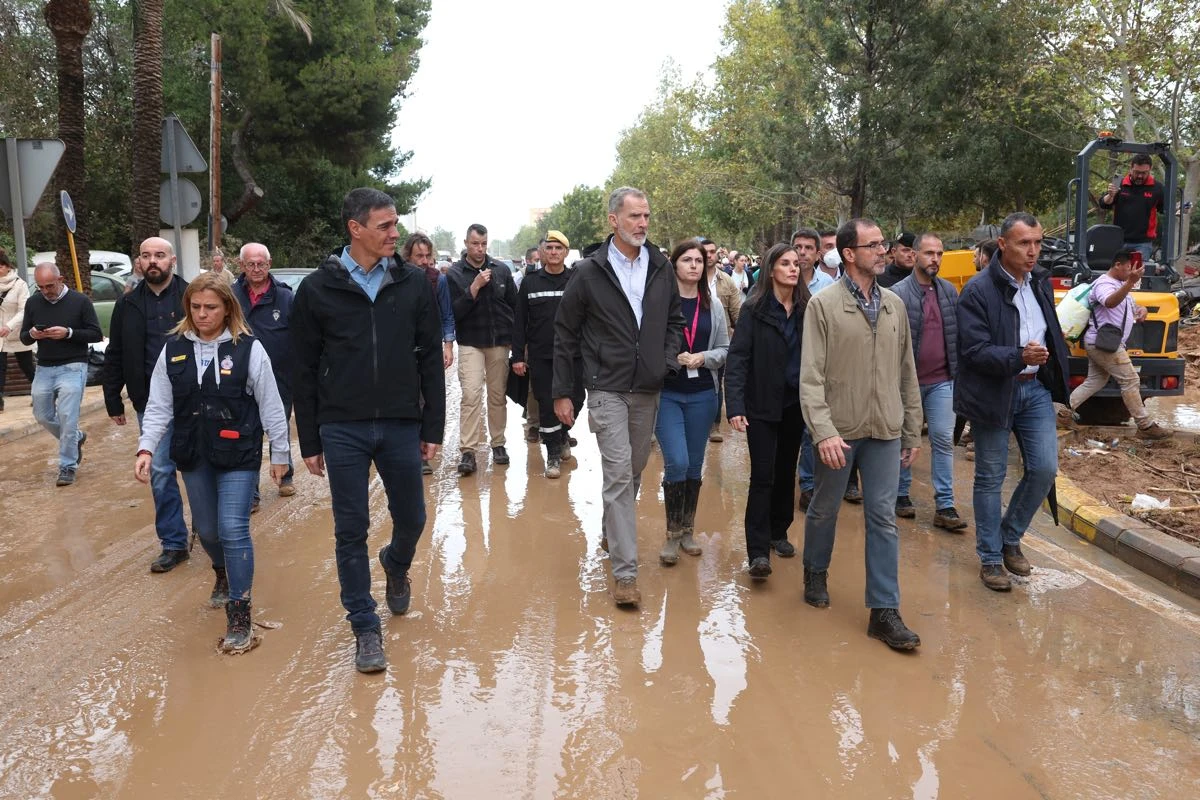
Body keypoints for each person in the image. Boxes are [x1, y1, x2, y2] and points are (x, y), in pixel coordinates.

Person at [292, 187, 445, 673]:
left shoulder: (413, 283)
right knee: (350, 528)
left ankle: (396, 563)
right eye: (385, 225)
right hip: (342, 426)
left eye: (396, 223)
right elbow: (303, 368)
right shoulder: (317, 289)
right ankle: (364, 625)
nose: (395, 233)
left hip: (401, 422)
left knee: (413, 518)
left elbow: (430, 360)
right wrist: (310, 438)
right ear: (355, 229)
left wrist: (433, 426)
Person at [135, 272, 290, 653]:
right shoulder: (173, 350)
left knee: (232, 528)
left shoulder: (249, 349)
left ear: (227, 309)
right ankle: (221, 571)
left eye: (211, 307)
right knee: (206, 530)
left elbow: (271, 404)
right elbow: (158, 406)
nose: (202, 314)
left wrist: (280, 454)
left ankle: (240, 612)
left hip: (238, 452)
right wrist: (146, 448)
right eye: (196, 307)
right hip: (194, 452)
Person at [553, 186, 684, 607]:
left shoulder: (660, 266)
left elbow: (675, 321)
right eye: (634, 216)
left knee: (635, 468)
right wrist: (563, 391)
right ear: (614, 220)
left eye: (646, 216)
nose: (642, 224)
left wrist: (665, 361)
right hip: (606, 387)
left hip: (647, 386)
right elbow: (565, 332)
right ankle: (625, 574)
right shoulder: (589, 272)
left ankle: (613, 529)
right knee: (618, 474)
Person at [800, 218, 923, 651]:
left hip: (885, 429)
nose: (883, 251)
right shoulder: (823, 306)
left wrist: (911, 430)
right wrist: (823, 432)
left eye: (883, 244)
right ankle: (815, 571)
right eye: (873, 245)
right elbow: (811, 378)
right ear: (849, 254)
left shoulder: (894, 305)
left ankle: (884, 611)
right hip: (840, 431)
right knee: (825, 507)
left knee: (883, 517)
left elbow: (907, 372)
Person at [956, 212, 1069, 592]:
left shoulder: (1040, 282)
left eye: (1037, 242)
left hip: (1034, 389)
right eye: (1024, 243)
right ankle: (990, 558)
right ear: (1003, 245)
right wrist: (1019, 356)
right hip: (993, 391)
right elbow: (973, 351)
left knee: (1044, 469)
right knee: (990, 477)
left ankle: (1009, 537)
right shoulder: (977, 291)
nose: (1033, 251)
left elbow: (1051, 332)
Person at [103, 236, 191, 571]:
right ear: (138, 262)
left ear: (172, 261)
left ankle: (211, 529)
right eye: (145, 256)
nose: (152, 261)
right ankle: (174, 543)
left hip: (195, 398)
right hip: (150, 402)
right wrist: (113, 398)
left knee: (200, 467)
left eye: (159, 255)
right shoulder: (127, 304)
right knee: (161, 470)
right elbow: (116, 352)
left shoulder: (192, 297)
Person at [726, 244, 809, 577]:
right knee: (763, 475)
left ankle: (778, 531)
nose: (793, 268)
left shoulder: (807, 308)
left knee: (786, 470)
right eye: (785, 263)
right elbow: (738, 358)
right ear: (771, 269)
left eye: (796, 264)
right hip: (761, 404)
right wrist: (735, 405)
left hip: (795, 404)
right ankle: (758, 552)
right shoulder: (754, 309)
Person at [655, 241, 729, 565]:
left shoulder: (714, 306)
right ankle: (672, 533)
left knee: (695, 464)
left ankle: (687, 530)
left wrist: (703, 357)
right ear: (674, 265)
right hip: (667, 393)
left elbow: (725, 349)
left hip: (702, 394)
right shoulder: (660, 303)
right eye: (687, 259)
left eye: (699, 260)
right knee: (677, 461)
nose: (694, 265)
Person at [889, 234, 968, 530]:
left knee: (943, 439)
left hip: (942, 381)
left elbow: (956, 335)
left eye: (939, 254)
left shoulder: (948, 291)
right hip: (905, 384)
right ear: (915, 255)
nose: (935, 259)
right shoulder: (897, 294)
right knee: (904, 438)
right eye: (929, 253)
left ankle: (945, 505)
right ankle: (900, 494)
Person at [1065, 249, 1170, 439]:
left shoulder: (1120, 284)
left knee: (1096, 380)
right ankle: (1145, 426)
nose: (1131, 272)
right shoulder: (1104, 284)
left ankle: (1061, 413)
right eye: (1128, 268)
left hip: (1105, 342)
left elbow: (1128, 306)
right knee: (1130, 380)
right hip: (1104, 343)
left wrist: (1141, 309)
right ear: (1117, 265)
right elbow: (1109, 302)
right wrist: (1130, 283)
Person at [445, 224, 517, 476]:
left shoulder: (501, 270)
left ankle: (498, 444)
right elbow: (454, 312)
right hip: (470, 343)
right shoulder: (455, 274)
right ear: (466, 243)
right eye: (475, 244)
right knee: (471, 395)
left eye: (484, 244)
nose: (480, 249)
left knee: (497, 396)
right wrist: (474, 287)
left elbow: (514, 306)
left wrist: (516, 340)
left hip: (499, 343)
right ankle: (468, 450)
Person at [20, 263, 101, 486]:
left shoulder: (80, 301)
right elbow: (24, 338)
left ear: (61, 279)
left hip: (73, 366)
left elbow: (96, 334)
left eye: (50, 286)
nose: (45, 291)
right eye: (41, 287)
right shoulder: (33, 302)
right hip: (44, 367)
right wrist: (33, 334)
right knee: (42, 415)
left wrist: (69, 333)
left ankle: (67, 466)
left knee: (67, 416)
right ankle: (76, 438)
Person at [511, 230, 583, 478]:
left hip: (573, 356)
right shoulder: (530, 282)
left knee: (577, 398)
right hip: (542, 356)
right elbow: (520, 322)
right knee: (546, 404)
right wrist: (517, 356)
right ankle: (552, 454)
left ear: (566, 252)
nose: (553, 252)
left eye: (558, 248)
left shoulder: (576, 280)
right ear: (542, 252)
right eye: (549, 248)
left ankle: (562, 435)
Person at [233, 242, 298, 506]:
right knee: (247, 433)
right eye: (251, 264)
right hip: (239, 376)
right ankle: (251, 492)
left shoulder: (285, 297)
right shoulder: (231, 295)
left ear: (269, 265)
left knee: (278, 425)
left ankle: (285, 476)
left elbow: (299, 336)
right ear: (242, 266)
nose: (256, 269)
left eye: (261, 264)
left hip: (280, 375)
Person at [790, 228, 833, 510]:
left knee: (810, 428)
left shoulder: (828, 285)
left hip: (817, 366)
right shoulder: (781, 278)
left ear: (818, 254)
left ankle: (808, 484)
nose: (802, 253)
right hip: (787, 364)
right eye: (798, 247)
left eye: (808, 248)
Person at [704, 240, 741, 443]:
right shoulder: (684, 278)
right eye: (705, 252)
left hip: (719, 341)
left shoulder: (726, 281)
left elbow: (737, 313)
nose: (709, 255)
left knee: (716, 384)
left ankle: (715, 425)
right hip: (692, 340)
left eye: (712, 251)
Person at [1099, 154, 1165, 263]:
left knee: (1138, 271)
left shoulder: (1157, 188)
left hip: (1143, 243)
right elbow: (1104, 204)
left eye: (1144, 173)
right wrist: (1110, 195)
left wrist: (1180, 209)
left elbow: (1165, 209)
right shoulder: (1120, 184)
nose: (1140, 176)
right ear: (1131, 168)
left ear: (1150, 170)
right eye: (1137, 172)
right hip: (1119, 240)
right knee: (1117, 270)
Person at [0, 248, 36, 412]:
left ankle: (41, 393)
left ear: (8, 266)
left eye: (1, 266)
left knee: (27, 366)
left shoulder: (19, 284)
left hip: (16, 332)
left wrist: (9, 326)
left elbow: (24, 310)